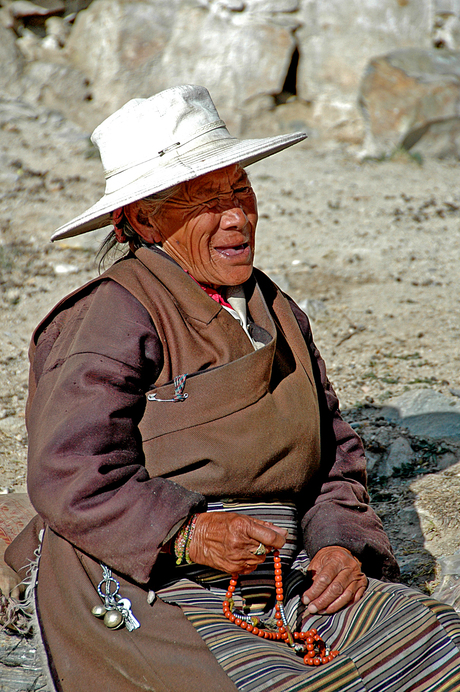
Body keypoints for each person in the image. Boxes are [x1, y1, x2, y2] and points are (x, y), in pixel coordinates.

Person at [5, 85, 460, 692]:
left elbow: (333, 454)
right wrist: (188, 533)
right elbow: (69, 470)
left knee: (440, 649)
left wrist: (339, 545)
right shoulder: (113, 314)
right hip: (150, 570)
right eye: (204, 201)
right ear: (143, 219)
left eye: (240, 189)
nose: (237, 216)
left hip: (281, 567)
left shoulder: (276, 310)